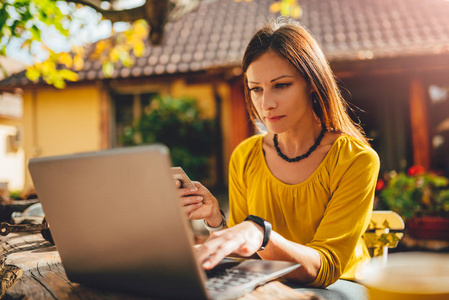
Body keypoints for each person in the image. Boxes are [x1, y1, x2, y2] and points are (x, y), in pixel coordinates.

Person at [177, 17, 380, 288]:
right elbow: (244, 255)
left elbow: (327, 267)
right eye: (256, 89)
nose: (266, 104)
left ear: (312, 82)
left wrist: (261, 233)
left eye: (281, 85)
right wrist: (215, 220)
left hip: (341, 286)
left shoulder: (356, 160)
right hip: (269, 284)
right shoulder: (245, 155)